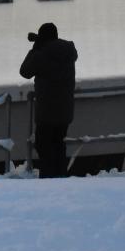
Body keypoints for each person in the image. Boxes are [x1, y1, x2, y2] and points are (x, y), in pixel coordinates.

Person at [19, 22, 79, 179]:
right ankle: (60, 177)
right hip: (65, 110)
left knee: (43, 146)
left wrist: (35, 48)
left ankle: (48, 179)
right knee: (59, 145)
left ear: (42, 38)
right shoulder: (68, 52)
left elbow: (24, 71)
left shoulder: (42, 54)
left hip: (47, 111)